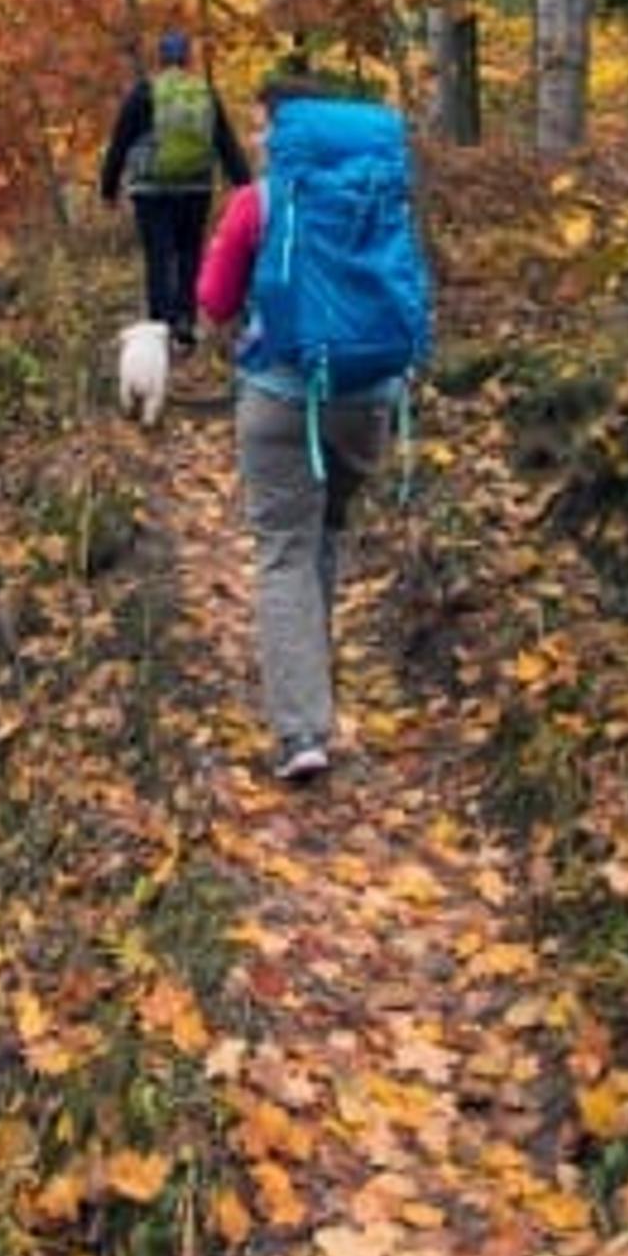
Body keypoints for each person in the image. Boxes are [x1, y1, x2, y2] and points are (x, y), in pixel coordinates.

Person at [195, 72, 426, 783]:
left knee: (283, 553)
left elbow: (213, 300)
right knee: (322, 535)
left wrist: (223, 322)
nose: (259, 137)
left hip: (280, 399)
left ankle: (301, 730)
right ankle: (314, 686)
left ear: (285, 129)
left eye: (263, 124)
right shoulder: (377, 197)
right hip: (368, 401)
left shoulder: (255, 204)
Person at [96, 28, 248, 349]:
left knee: (158, 256)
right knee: (190, 253)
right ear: (188, 58)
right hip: (196, 187)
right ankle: (186, 324)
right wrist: (244, 185)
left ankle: (159, 328)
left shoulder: (143, 92)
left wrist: (108, 189)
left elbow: (120, 142)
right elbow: (226, 141)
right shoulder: (204, 92)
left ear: (161, 58)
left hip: (152, 190)